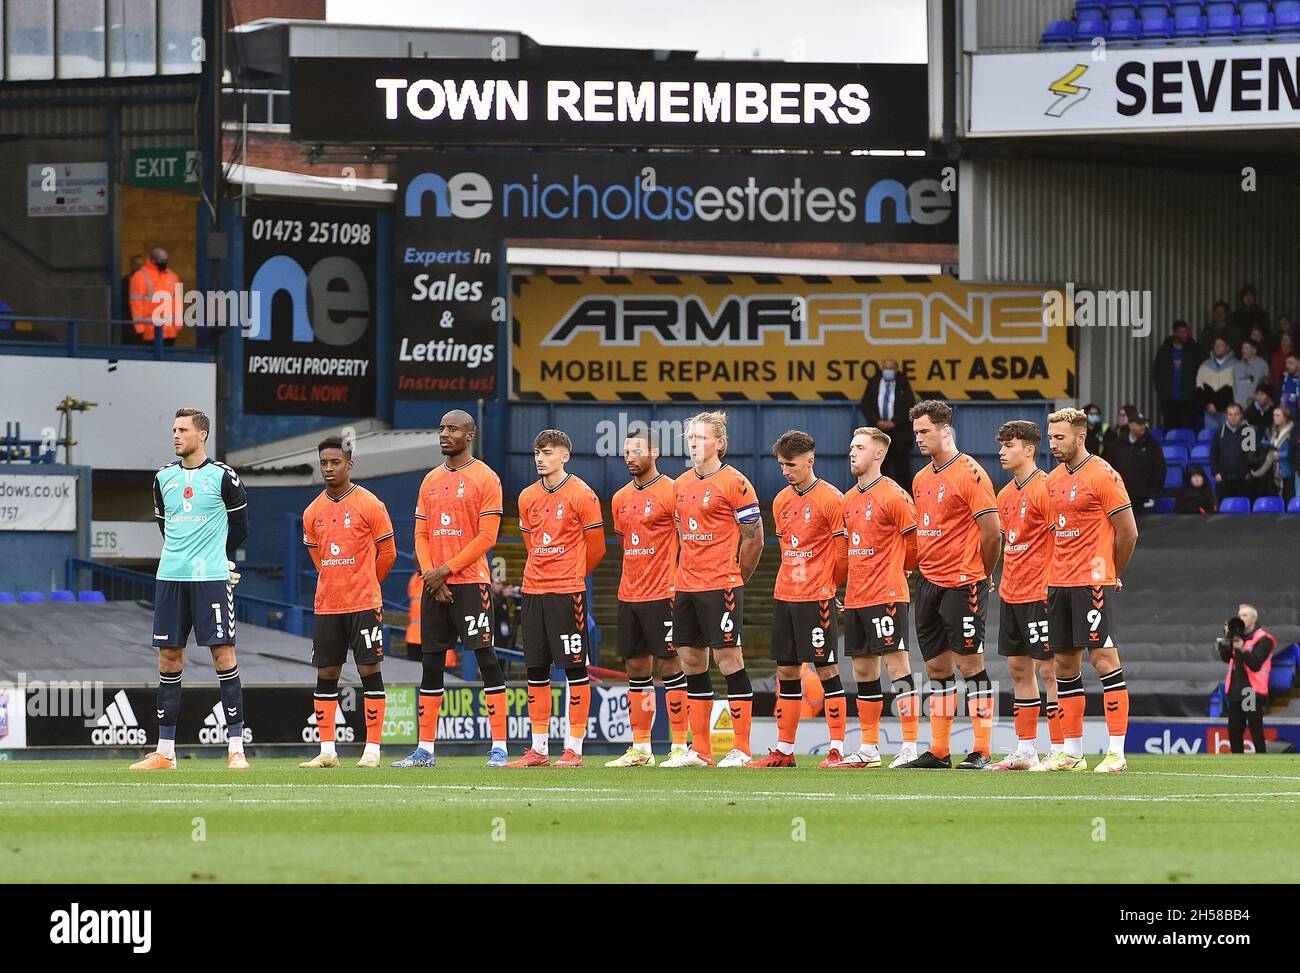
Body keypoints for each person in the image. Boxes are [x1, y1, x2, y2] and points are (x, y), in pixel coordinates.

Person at [130, 408, 249, 771]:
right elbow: (165, 526)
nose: (176, 435)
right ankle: (165, 752)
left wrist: (219, 558)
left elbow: (240, 526)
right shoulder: (163, 477)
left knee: (223, 657)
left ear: (202, 435)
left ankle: (235, 748)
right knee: (169, 658)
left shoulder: (223, 476)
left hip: (210, 578)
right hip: (171, 578)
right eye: (173, 429)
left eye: (183, 429)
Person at [396, 411, 508, 768]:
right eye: (441, 427)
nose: (444, 433)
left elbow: (487, 536)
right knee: (431, 663)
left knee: (486, 658)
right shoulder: (429, 480)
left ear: (469, 435)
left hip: (472, 583)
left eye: (452, 429)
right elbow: (421, 534)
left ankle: (500, 746)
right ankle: (425, 749)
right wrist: (432, 575)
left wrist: (445, 570)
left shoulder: (486, 477)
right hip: (436, 585)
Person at [897, 400, 1001, 770]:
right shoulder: (922, 477)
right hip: (928, 583)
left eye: (925, 431)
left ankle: (982, 749)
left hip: (963, 582)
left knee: (971, 664)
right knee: (937, 668)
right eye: (916, 433)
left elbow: (992, 533)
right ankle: (939, 751)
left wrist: (982, 572)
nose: (920, 439)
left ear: (945, 429)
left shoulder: (970, 473)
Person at [1035, 407, 1137, 773]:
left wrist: (1112, 571)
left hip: (1092, 581)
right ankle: (1072, 752)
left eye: (1060, 438)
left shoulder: (1103, 474)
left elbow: (1128, 532)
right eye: (1051, 438)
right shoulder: (1053, 480)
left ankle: (1116, 752)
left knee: (1104, 659)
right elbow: (1053, 532)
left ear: (1081, 437)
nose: (1054, 445)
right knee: (1063, 663)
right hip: (1059, 583)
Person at [660, 412, 764, 768]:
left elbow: (754, 538)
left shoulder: (735, 482)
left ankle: (742, 748)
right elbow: (678, 532)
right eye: (690, 438)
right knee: (690, 660)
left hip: (722, 584)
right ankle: (700, 751)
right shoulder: (680, 484)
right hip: (687, 585)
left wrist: (737, 577)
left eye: (701, 438)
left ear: (719, 443)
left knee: (728, 660)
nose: (693, 444)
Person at [748, 431, 849, 768]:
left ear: (810, 460)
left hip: (816, 597)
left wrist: (832, 585)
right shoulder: (780, 500)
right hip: (785, 594)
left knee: (827, 668)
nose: (785, 471)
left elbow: (842, 552)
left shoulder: (832, 499)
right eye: (781, 465)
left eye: (791, 465)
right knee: (787, 670)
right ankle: (784, 750)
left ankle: (836, 748)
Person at [508, 430, 605, 768]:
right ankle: (538, 750)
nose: (539, 458)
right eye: (537, 452)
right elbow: (529, 541)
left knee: (575, 670)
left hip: (567, 593)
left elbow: (597, 546)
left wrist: (572, 574)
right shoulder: (527, 496)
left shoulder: (582, 494)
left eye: (547, 452)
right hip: (533, 590)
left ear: (565, 455)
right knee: (536, 670)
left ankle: (574, 749)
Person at [827, 427, 922, 769]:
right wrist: (845, 587)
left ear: (878, 454)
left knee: (897, 666)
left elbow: (915, 545)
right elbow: (848, 551)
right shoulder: (848, 499)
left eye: (860, 447)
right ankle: (869, 747)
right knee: (864, 671)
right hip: (856, 597)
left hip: (887, 595)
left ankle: (910, 744)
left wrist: (902, 569)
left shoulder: (895, 495)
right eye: (851, 446)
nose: (851, 452)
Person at [299, 437, 396, 769]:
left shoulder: (369, 504)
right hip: (328, 605)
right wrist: (336, 581)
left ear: (349, 464)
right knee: (327, 672)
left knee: (369, 669)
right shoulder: (312, 512)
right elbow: (318, 557)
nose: (328, 468)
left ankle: (372, 749)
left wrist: (366, 581)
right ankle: (328, 750)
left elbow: (389, 553)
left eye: (335, 462)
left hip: (364, 603)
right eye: (324, 462)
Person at [604, 425, 690, 767]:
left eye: (636, 451)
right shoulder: (620, 498)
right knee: (636, 667)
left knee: (671, 664)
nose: (629, 457)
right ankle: (641, 748)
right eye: (625, 452)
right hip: (630, 594)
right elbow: (627, 542)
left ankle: (680, 745)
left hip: (664, 592)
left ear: (654, 453)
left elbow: (686, 539)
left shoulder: (673, 491)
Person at [987, 421, 1063, 770]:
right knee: (1019, 670)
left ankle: (1060, 747)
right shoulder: (1004, 495)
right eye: (1001, 445)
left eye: (1009, 445)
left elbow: (1061, 541)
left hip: (1040, 591)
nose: (1002, 452)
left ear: (1029, 450)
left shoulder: (1047, 488)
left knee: (1051, 671)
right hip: (1011, 591)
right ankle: (1026, 749)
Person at [1217, 607, 1275, 754]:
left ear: (1253, 619)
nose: (1241, 617)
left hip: (1251, 690)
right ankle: (1238, 763)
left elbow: (1255, 664)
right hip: (1236, 689)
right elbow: (1225, 658)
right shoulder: (1237, 636)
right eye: (1239, 615)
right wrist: (1226, 639)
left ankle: (1261, 760)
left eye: (1245, 615)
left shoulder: (1263, 638)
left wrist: (1242, 648)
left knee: (1255, 728)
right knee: (1234, 730)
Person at [859, 359, 916, 489]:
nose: (887, 371)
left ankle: (905, 502)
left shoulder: (903, 383)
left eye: (890, 368)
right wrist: (877, 421)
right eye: (885, 368)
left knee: (902, 471)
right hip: (878, 433)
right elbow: (865, 405)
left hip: (899, 434)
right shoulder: (874, 382)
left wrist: (894, 422)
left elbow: (909, 405)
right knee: (877, 467)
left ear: (896, 370)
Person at [1103, 411, 1166, 511]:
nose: (1143, 427)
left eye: (1144, 424)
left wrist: (1153, 494)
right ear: (1131, 425)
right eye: (1139, 424)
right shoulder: (1118, 444)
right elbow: (1108, 467)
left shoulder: (1152, 444)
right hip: (1121, 498)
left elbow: (1160, 469)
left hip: (1144, 500)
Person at [1151, 320, 1205, 430]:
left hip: (1188, 401)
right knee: (1170, 430)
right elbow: (1157, 373)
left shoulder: (1194, 350)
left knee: (1187, 430)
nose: (1185, 335)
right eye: (1181, 333)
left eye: (1186, 332)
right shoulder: (1164, 351)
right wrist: (1162, 392)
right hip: (1169, 401)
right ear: (1175, 333)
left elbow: (1201, 372)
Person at [127, 247, 182, 345]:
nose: (163, 264)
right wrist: (139, 329)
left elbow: (177, 302)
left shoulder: (173, 276)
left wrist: (178, 324)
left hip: (170, 332)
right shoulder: (140, 276)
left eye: (165, 261)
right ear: (152, 260)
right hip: (150, 332)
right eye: (161, 261)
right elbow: (136, 304)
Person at [1210, 403, 1255, 499]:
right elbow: (1213, 454)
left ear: (1241, 415)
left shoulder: (1249, 432)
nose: (1233, 417)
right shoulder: (1219, 432)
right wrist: (1216, 472)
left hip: (1244, 481)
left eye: (1236, 414)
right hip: (1224, 480)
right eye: (1230, 414)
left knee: (1244, 510)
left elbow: (1254, 455)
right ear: (1226, 416)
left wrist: (1250, 473)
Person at [1196, 338, 1238, 431]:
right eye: (1216, 345)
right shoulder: (1205, 365)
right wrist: (1208, 404)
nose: (1217, 348)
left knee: (1229, 439)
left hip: (1228, 411)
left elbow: (1232, 388)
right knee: (1211, 440)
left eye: (1221, 345)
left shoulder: (1235, 365)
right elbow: (1199, 387)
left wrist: (1218, 406)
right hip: (1209, 412)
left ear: (1227, 348)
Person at [1232, 339, 1270, 409]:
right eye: (1242, 348)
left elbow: (1265, 386)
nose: (1243, 351)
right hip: (1238, 407)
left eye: (1246, 348)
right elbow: (1234, 386)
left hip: (1255, 406)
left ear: (1254, 351)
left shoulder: (1263, 365)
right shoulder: (1237, 366)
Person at [1268, 405, 1294, 502]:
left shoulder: (1292, 432)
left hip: (1287, 471)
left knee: (1288, 498)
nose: (1274, 417)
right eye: (1274, 415)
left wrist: (1280, 455)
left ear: (1285, 417)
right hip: (1274, 471)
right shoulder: (1272, 431)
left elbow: (1293, 450)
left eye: (1278, 415)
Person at [119, 254, 145, 334]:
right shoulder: (125, 281)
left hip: (143, 320)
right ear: (131, 265)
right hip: (128, 319)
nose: (139, 267)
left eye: (141, 265)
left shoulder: (147, 281)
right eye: (136, 265)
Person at [1279, 352, 1300, 418]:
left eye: (1290, 363)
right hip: (1287, 418)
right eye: (1286, 363)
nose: (1287, 365)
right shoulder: (1283, 378)